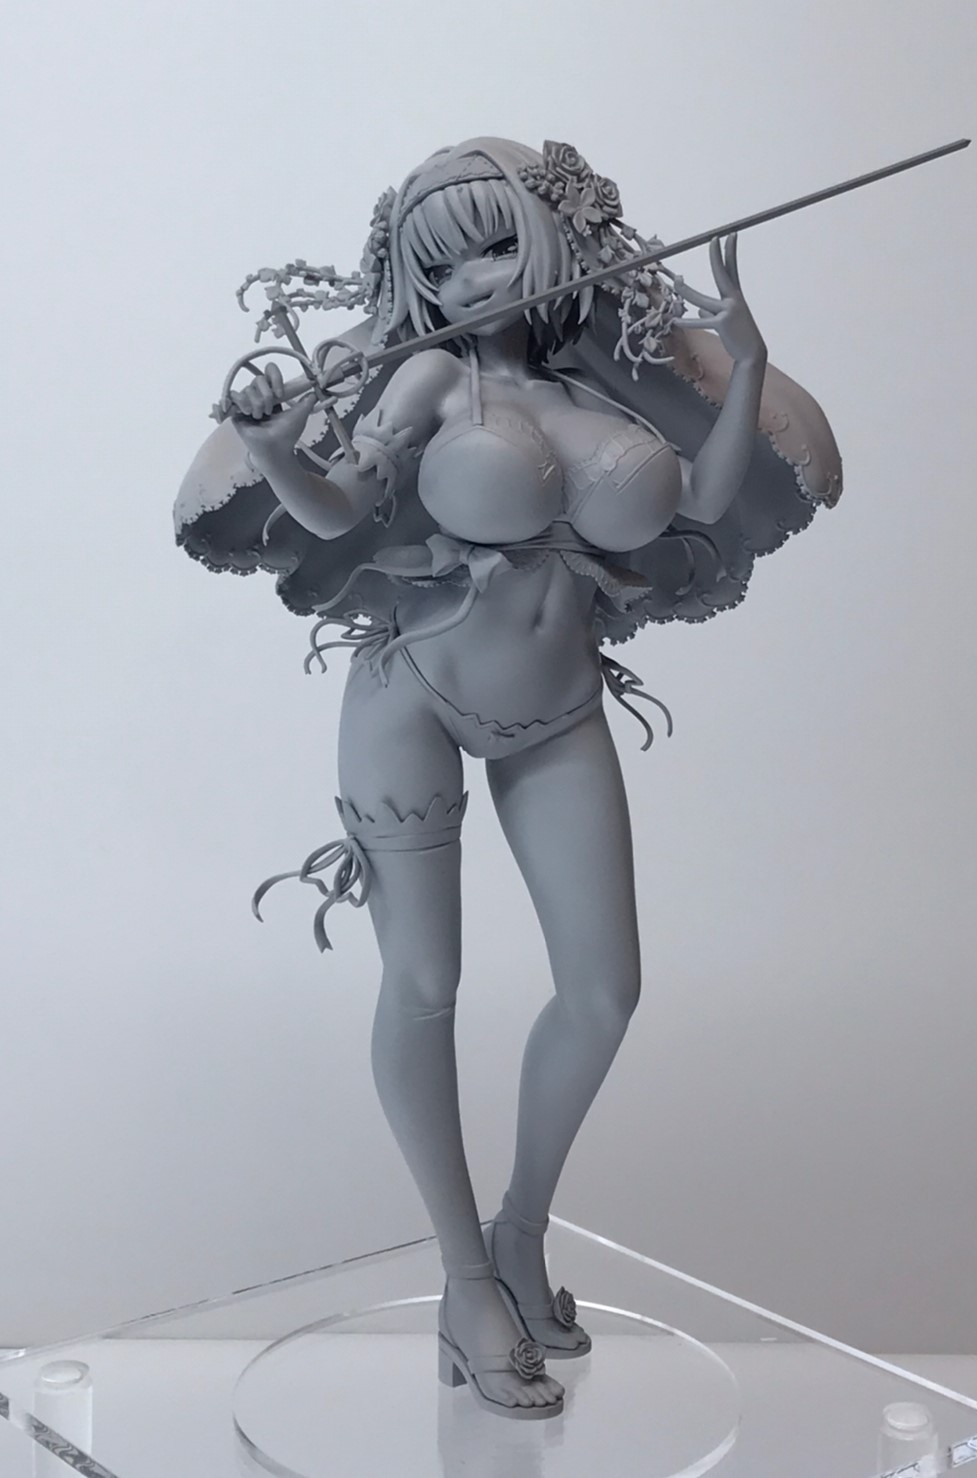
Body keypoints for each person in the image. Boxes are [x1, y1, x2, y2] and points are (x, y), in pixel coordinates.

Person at [174, 136, 842, 1420]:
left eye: (494, 245)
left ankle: (520, 1231)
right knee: (425, 982)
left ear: (551, 241)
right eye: (441, 263)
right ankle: (466, 1280)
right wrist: (272, 450)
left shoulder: (599, 386)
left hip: (557, 708)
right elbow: (338, 508)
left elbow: (703, 502)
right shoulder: (429, 375)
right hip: (410, 702)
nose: (471, 280)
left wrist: (745, 357)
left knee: (603, 989)